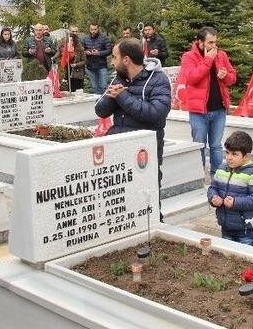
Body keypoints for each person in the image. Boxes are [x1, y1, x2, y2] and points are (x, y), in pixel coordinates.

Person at [94, 38, 171, 218]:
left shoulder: (158, 79)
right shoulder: (118, 78)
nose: (112, 61)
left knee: (147, 203)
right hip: (119, 149)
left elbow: (156, 115)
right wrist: (111, 96)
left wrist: (123, 96)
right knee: (123, 204)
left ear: (126, 60)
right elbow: (100, 111)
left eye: (114, 57)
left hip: (144, 153)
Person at [180, 27, 237, 174]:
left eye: (215, 42)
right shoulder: (188, 57)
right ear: (200, 42)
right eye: (210, 42)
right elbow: (192, 78)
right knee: (199, 145)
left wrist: (225, 76)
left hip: (219, 109)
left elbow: (233, 77)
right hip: (198, 112)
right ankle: (198, 178)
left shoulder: (221, 55)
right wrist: (208, 60)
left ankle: (217, 179)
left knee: (216, 146)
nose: (213, 46)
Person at [207, 131, 253, 246]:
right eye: (227, 153)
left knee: (246, 257)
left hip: (245, 230)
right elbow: (213, 187)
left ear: (246, 156)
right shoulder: (222, 169)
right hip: (226, 225)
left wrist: (235, 202)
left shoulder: (252, 173)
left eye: (234, 154)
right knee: (227, 256)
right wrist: (213, 198)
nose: (229, 158)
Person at [82, 23, 112, 95]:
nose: (93, 31)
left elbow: (109, 50)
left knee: (103, 86)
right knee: (94, 87)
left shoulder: (104, 38)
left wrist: (99, 53)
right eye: (92, 29)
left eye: (95, 29)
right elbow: (81, 50)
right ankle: (98, 104)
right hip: (90, 67)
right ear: (89, 29)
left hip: (102, 66)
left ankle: (105, 103)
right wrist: (86, 52)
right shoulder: (85, 39)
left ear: (98, 29)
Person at [59, 26, 87, 92]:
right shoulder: (64, 45)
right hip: (68, 72)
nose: (71, 41)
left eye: (72, 40)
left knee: (78, 91)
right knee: (70, 90)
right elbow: (60, 55)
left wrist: (76, 65)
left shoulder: (80, 47)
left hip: (78, 73)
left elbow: (84, 60)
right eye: (70, 40)